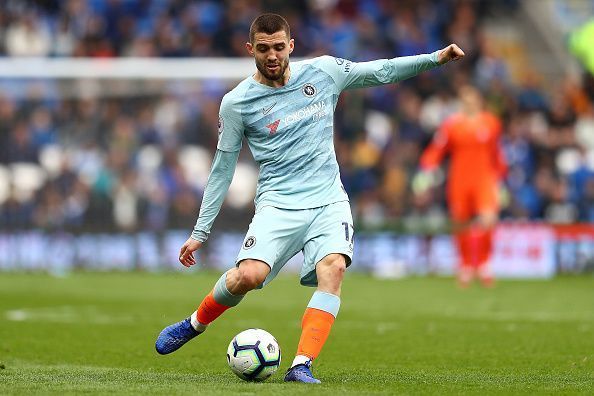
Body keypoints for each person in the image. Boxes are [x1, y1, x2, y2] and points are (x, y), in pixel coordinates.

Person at [155, 13, 464, 383]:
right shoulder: (237, 103)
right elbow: (222, 169)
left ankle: (301, 365)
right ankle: (194, 323)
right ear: (250, 49)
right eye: (264, 49)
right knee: (248, 276)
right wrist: (200, 232)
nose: (272, 56)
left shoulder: (324, 72)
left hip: (328, 200)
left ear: (291, 46)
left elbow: (381, 70)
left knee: (333, 268)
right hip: (278, 203)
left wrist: (436, 58)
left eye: (279, 47)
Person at [416, 85, 506, 287]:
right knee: (461, 223)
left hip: (484, 179)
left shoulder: (491, 123)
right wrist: (426, 170)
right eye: (465, 99)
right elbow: (437, 149)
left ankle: (484, 263)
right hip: (459, 180)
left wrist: (501, 180)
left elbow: (497, 154)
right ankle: (465, 265)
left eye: (471, 98)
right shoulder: (452, 125)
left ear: (478, 100)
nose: (468, 102)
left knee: (488, 219)